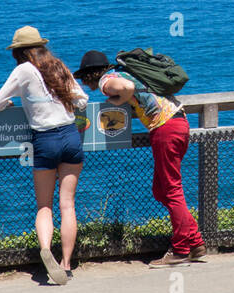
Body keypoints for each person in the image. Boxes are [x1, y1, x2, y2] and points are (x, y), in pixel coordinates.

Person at [75, 50, 206, 267]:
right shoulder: (124, 71)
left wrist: (117, 99)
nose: (83, 83)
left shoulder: (107, 80)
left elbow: (127, 89)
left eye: (83, 78)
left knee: (172, 190)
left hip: (165, 128)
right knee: (160, 190)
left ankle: (181, 250)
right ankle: (195, 241)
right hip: (179, 122)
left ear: (90, 74)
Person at [0, 26, 87, 286]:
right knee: (68, 205)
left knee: (45, 206)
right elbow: (82, 101)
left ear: (18, 52)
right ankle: (66, 264)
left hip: (45, 140)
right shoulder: (58, 66)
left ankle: (45, 249)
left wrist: (10, 103)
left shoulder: (23, 71)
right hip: (70, 136)